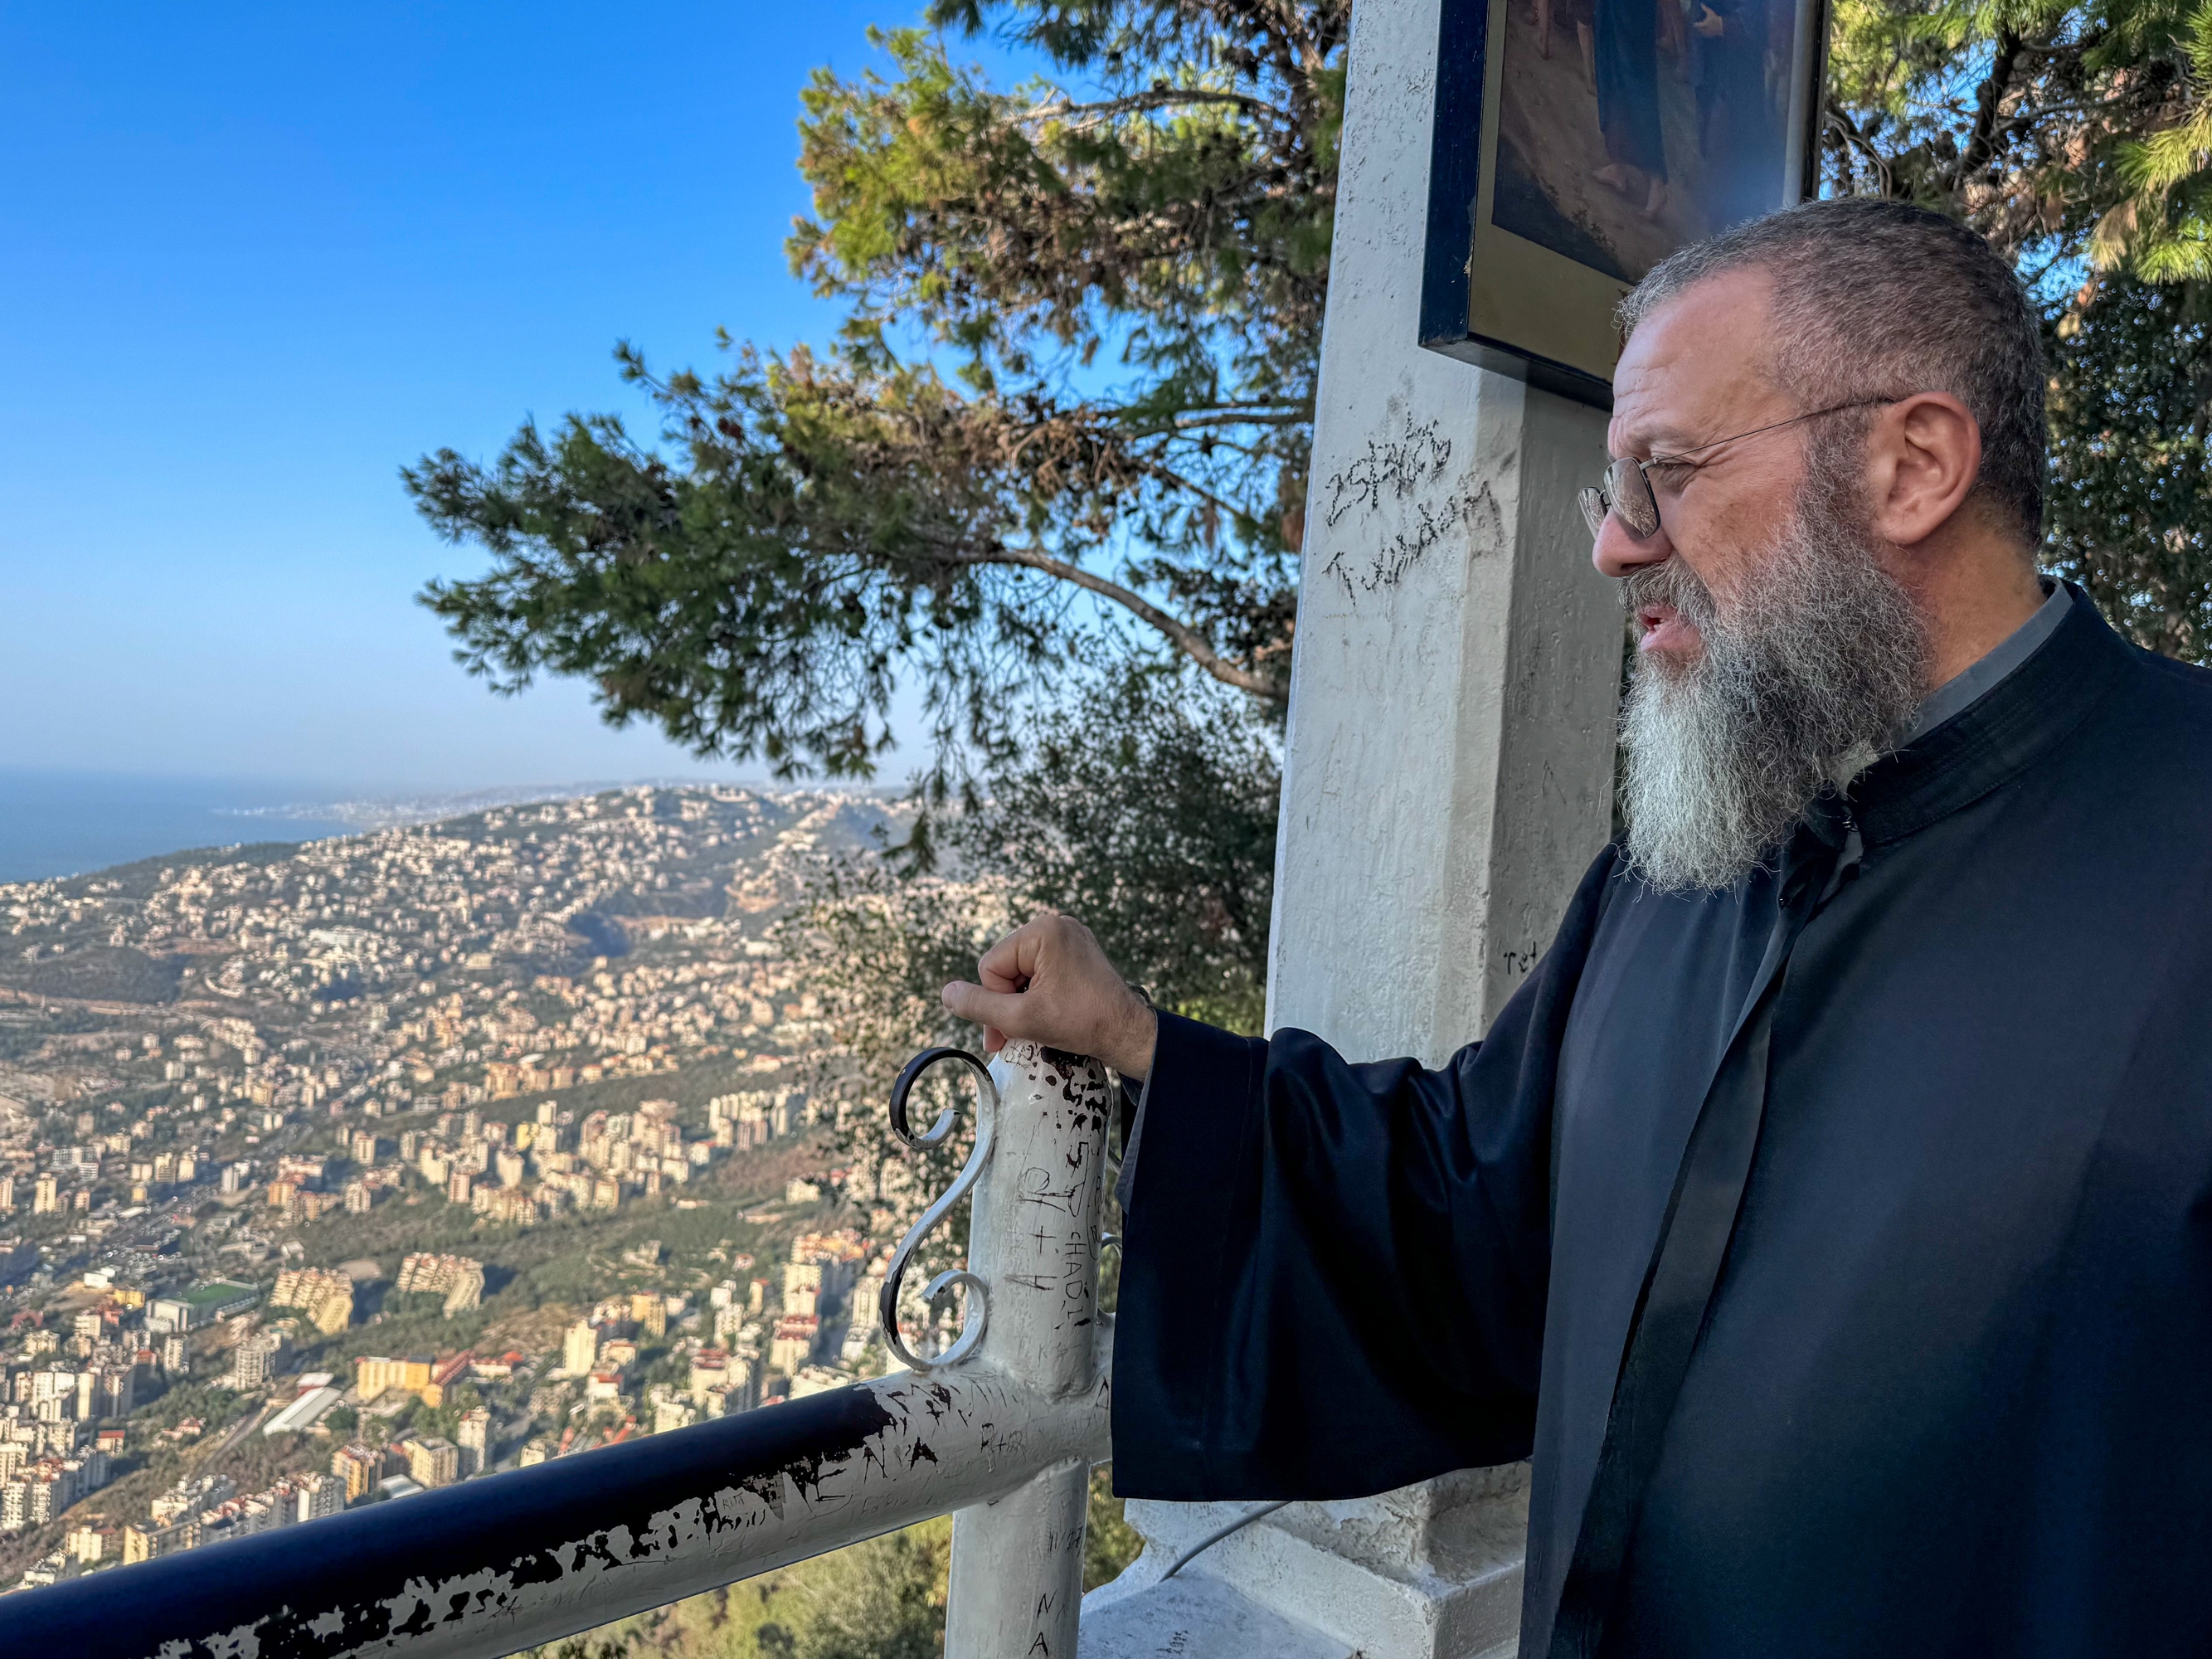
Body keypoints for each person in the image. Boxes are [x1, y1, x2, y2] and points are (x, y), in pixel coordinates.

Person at [940, 199, 2212, 1657]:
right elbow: (1481, 1199)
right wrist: (1143, 1047)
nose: (1614, 549)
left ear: (1912, 465)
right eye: (1612, 489)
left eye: (1663, 476)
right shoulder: (1694, 857)